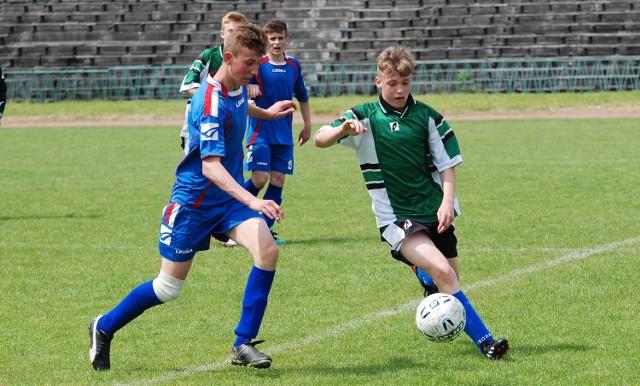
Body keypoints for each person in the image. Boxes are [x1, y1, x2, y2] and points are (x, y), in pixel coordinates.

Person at [89, 24, 298, 371]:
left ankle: (242, 343)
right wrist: (253, 201)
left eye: (258, 62)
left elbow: (241, 106)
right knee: (168, 288)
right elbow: (211, 167)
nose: (255, 69)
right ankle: (104, 326)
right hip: (194, 203)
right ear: (228, 58)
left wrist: (268, 113)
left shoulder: (235, 87)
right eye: (249, 63)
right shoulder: (209, 98)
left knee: (267, 250)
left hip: (226, 203)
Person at [313, 46, 510, 360]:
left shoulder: (427, 116)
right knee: (445, 273)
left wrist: (447, 203)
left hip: (433, 209)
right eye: (392, 83)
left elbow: (447, 165)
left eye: (405, 82)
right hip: (396, 217)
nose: (400, 89)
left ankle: (425, 275)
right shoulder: (363, 116)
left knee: (451, 282)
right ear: (379, 81)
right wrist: (342, 129)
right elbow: (319, 138)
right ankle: (487, 343)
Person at [243, 20, 312, 245]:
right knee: (260, 179)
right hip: (260, 132)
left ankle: (265, 230)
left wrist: (307, 125)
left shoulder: (294, 65)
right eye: (272, 38)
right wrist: (248, 88)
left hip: (283, 133)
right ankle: (230, 216)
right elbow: (237, 86)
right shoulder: (257, 64)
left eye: (280, 38)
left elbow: (302, 96)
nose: (276, 42)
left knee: (279, 179)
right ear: (266, 40)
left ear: (286, 39)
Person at [178, 11, 248, 154]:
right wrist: (214, 99)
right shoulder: (210, 55)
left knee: (227, 159)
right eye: (231, 31)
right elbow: (187, 84)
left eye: (239, 32)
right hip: (200, 113)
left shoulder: (245, 60)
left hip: (230, 113)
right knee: (197, 164)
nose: (235, 35)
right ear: (222, 34)